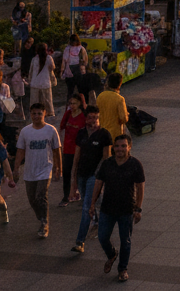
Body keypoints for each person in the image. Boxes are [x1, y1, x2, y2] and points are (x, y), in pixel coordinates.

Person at [90, 132, 144, 281]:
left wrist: (138, 209)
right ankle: (112, 254)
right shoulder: (107, 164)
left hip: (126, 210)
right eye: (117, 146)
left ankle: (122, 269)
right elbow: (98, 183)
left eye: (123, 146)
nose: (120, 149)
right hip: (107, 209)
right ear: (114, 147)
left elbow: (140, 188)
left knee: (125, 240)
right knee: (102, 237)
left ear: (129, 147)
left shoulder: (135, 164)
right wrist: (92, 204)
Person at [69, 103, 113, 253]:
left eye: (96, 118)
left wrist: (101, 176)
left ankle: (80, 241)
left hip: (95, 176)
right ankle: (99, 218)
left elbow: (106, 158)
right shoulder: (81, 133)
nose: (93, 121)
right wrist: (73, 181)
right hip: (82, 174)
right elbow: (76, 158)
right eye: (90, 118)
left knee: (86, 206)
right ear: (86, 119)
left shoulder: (104, 135)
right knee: (91, 200)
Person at [14, 102, 62, 238]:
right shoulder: (25, 131)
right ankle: (41, 217)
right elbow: (20, 151)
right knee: (32, 199)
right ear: (30, 114)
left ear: (44, 114)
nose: (36, 116)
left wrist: (59, 168)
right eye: (34, 113)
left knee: (41, 196)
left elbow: (57, 150)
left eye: (39, 113)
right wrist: (16, 168)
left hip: (45, 169)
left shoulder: (51, 130)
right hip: (30, 171)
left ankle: (44, 223)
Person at [57, 92, 87, 204]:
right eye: (71, 103)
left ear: (80, 103)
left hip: (79, 149)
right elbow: (61, 126)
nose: (72, 106)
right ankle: (66, 196)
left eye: (74, 103)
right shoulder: (68, 113)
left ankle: (80, 194)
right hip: (68, 149)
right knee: (66, 173)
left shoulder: (84, 116)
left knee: (79, 173)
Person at [97, 72, 130, 139]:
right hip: (115, 133)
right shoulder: (120, 99)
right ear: (119, 85)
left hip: (102, 131)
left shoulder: (100, 96)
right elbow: (123, 118)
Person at [28, 42, 57, 117]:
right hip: (45, 83)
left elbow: (30, 71)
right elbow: (52, 68)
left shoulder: (34, 59)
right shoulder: (49, 58)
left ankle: (35, 114)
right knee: (47, 101)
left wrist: (29, 80)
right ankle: (48, 114)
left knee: (35, 102)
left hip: (35, 83)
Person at [61, 33, 89, 98]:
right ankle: (82, 105)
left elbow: (64, 61)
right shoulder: (81, 49)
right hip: (80, 71)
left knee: (70, 91)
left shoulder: (67, 49)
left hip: (69, 71)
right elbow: (85, 61)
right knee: (81, 91)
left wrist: (62, 71)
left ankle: (69, 106)